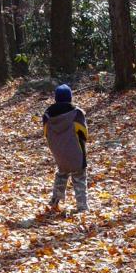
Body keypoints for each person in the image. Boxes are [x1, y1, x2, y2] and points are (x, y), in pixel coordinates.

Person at [42, 84, 89, 212]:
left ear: (56, 98)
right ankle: (82, 208)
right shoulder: (77, 113)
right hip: (76, 152)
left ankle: (54, 202)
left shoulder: (47, 115)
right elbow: (84, 133)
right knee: (79, 178)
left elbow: (46, 133)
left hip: (59, 152)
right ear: (70, 97)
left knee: (62, 173)